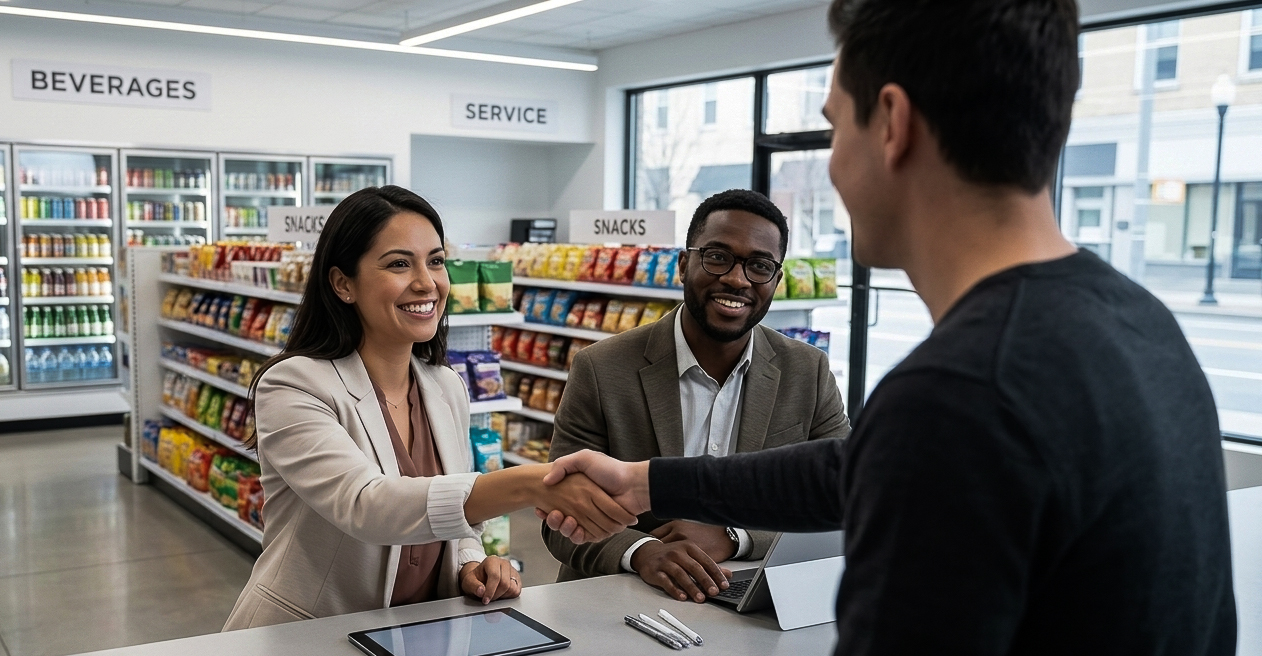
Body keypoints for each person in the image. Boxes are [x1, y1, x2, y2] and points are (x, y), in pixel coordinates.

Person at [541, 1, 1237, 653]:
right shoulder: (1140, 323)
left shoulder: (960, 393)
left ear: (893, 125)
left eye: (835, 124)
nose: (835, 162)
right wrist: (648, 484)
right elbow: (849, 471)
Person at [223, 186, 634, 630]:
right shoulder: (294, 385)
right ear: (343, 284)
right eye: (399, 263)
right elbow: (368, 506)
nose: (427, 282)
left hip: (418, 632)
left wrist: (470, 564)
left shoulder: (445, 386)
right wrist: (532, 484)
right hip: (307, 633)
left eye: (436, 261)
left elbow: (456, 522)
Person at [542, 189, 850, 603]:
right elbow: (558, 518)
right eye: (718, 257)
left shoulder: (807, 370)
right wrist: (643, 552)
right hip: (619, 601)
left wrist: (733, 536)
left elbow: (844, 495)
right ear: (684, 264)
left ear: (776, 280)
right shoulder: (601, 368)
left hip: (749, 596)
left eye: (759, 266)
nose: (737, 280)